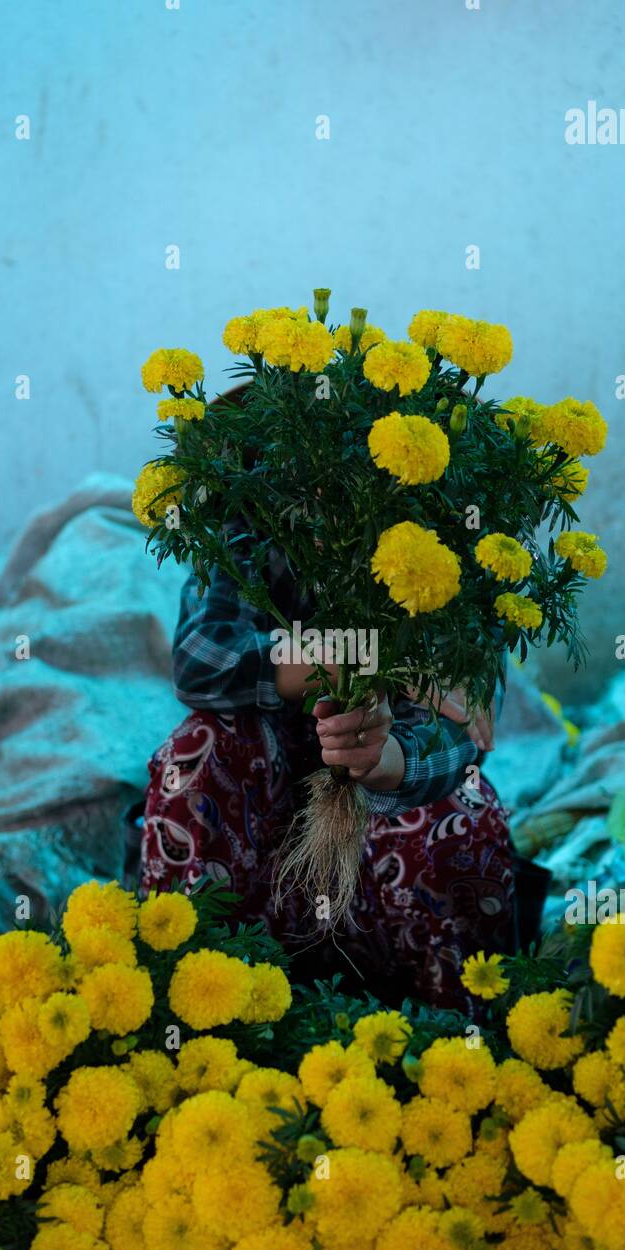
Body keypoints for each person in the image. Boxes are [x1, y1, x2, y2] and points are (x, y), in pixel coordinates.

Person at [138, 394, 515, 1013]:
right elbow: (204, 658)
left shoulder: (447, 547)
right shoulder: (250, 527)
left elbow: (463, 729)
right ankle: (197, 1016)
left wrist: (383, 759)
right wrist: (377, 663)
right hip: (269, 838)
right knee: (196, 749)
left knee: (467, 806)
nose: (324, 503)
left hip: (381, 849)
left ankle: (455, 1047)